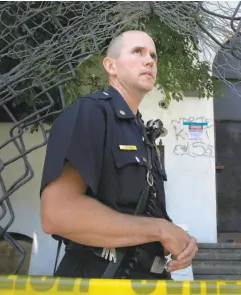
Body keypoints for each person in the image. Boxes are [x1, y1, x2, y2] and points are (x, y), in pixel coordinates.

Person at [39, 30, 198, 279]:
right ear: (110, 66)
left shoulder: (142, 132)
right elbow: (58, 214)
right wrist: (159, 230)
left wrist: (178, 239)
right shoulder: (91, 112)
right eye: (138, 52)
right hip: (100, 278)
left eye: (153, 56)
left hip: (148, 278)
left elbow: (142, 213)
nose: (150, 61)